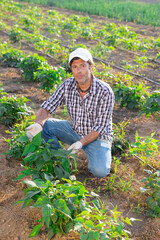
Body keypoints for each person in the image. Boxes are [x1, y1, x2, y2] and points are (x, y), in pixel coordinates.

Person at [26, 48, 115, 178]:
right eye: (75, 67)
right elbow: (48, 106)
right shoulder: (67, 85)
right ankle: (60, 161)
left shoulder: (105, 91)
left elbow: (100, 127)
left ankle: (92, 153)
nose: (79, 71)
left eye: (83, 66)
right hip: (74, 130)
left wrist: (81, 143)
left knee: (100, 172)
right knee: (46, 126)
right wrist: (39, 123)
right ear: (71, 69)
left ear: (91, 67)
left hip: (97, 137)